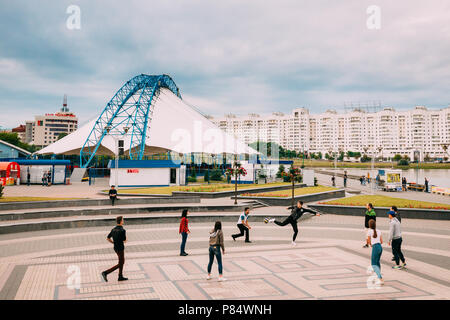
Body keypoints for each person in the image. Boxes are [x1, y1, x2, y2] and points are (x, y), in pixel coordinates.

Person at [101, 216, 128, 282]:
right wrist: (125, 240)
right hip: (121, 248)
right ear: (121, 221)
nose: (123, 221)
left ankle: (120, 276)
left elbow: (108, 238)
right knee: (121, 263)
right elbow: (124, 240)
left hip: (115, 248)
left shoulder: (113, 229)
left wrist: (113, 242)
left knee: (121, 262)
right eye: (123, 220)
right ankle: (106, 272)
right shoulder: (123, 230)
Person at [367, 219, 384, 286]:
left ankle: (380, 279)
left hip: (375, 247)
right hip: (380, 247)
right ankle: (378, 274)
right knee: (377, 262)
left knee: (373, 263)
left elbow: (368, 241)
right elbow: (382, 241)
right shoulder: (379, 231)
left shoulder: (369, 231)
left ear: (369, 225)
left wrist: (371, 244)